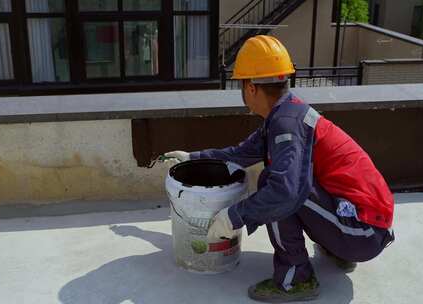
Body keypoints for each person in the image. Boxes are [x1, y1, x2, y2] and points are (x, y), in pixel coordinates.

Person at [165, 35, 395, 303]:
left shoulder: (286, 124)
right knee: (286, 182)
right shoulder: (286, 112)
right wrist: (192, 157)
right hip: (363, 223)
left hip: (363, 232)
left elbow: (284, 193)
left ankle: (296, 278)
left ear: (251, 88)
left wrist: (233, 216)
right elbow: (240, 153)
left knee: (276, 187)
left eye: (241, 84)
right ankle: (337, 251)